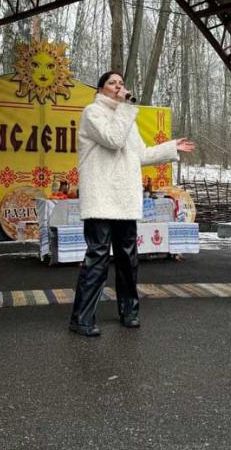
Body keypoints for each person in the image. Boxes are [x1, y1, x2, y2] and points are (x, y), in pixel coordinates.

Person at [69, 71, 195, 336]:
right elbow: (113, 140)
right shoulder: (93, 113)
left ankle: (129, 311)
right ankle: (81, 318)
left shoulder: (126, 119)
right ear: (101, 90)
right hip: (102, 197)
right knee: (98, 257)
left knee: (128, 258)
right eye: (113, 84)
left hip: (125, 198)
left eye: (121, 83)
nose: (119, 87)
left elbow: (141, 155)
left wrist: (171, 147)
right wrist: (127, 108)